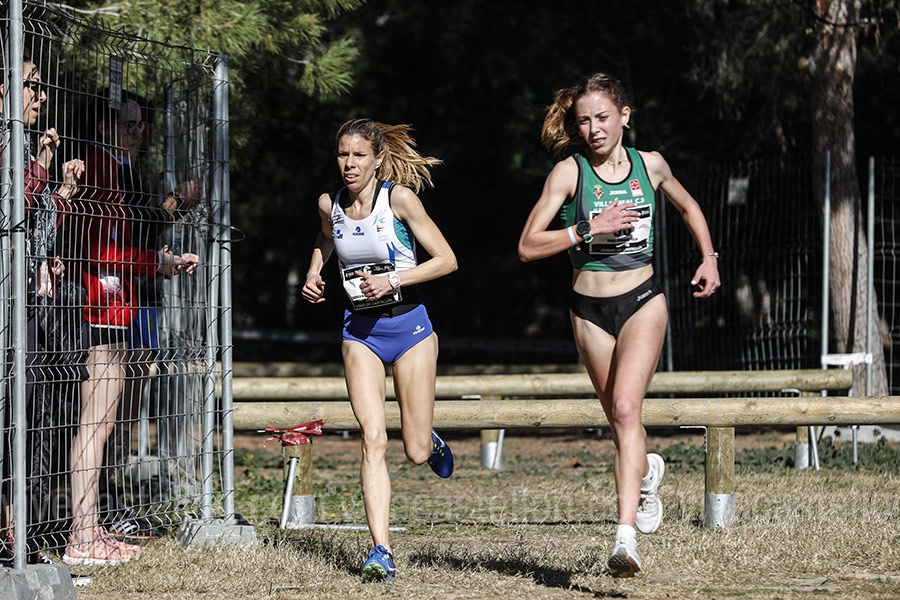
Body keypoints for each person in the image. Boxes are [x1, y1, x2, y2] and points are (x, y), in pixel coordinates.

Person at [517, 73, 721, 578]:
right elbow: (527, 245)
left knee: (628, 409)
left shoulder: (651, 166)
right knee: (618, 419)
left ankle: (624, 541)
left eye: (603, 117)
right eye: (585, 120)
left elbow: (689, 205)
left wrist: (709, 257)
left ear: (625, 116)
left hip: (642, 301)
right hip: (588, 310)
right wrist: (588, 227)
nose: (594, 129)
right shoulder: (569, 173)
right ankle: (647, 472)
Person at [301, 118, 457, 582]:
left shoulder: (399, 200)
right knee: (372, 438)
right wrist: (314, 272)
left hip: (411, 330)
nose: (349, 164)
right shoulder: (330, 204)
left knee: (414, 450)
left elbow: (447, 260)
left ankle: (428, 440)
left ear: (378, 159)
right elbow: (325, 238)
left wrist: (393, 279)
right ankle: (381, 550)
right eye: (342, 155)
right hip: (360, 332)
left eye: (359, 155)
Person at [61, 92, 200, 566]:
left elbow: (117, 245)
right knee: (94, 425)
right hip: (97, 307)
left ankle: (92, 527)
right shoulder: (99, 168)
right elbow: (98, 251)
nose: (138, 132)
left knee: (103, 424)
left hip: (115, 307)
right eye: (128, 124)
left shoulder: (117, 169)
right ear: (104, 128)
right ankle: (83, 536)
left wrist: (157, 261)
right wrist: (157, 263)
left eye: (141, 124)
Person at [0, 54, 85, 565]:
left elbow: (32, 224)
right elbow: (11, 204)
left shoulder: (22, 141)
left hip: (25, 297)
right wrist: (42, 169)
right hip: (5, 300)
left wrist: (63, 195)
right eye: (33, 85)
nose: (43, 95)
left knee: (22, 411)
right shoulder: (7, 141)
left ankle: (13, 531)